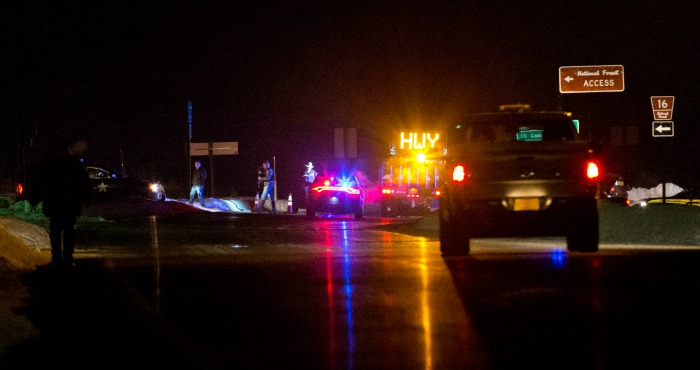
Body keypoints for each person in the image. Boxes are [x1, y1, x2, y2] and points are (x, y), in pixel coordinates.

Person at [39, 136, 92, 269]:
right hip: (68, 203)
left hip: (56, 203)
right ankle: (66, 258)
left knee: (57, 231)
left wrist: (37, 196)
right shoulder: (73, 163)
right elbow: (84, 182)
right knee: (67, 231)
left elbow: (41, 181)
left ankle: (58, 258)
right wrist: (86, 198)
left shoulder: (50, 162)